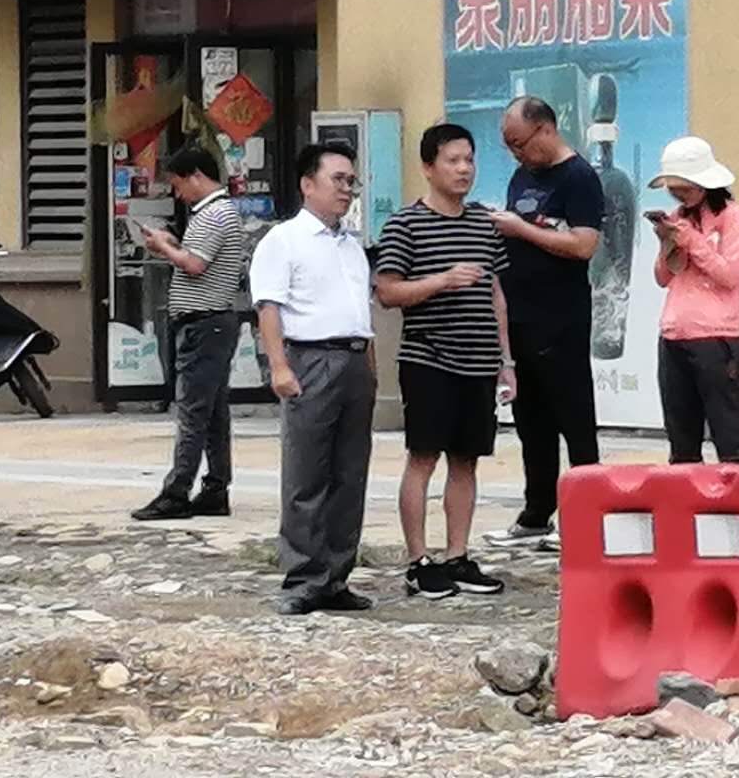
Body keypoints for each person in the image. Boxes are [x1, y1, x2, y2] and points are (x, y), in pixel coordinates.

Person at [375, 123, 516, 600]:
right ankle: (418, 562)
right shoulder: (405, 224)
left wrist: (506, 361)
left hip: (479, 362)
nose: (463, 169)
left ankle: (458, 555)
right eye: (452, 160)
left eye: (469, 160)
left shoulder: (484, 223)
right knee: (423, 458)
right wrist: (442, 280)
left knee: (466, 461)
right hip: (428, 360)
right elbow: (388, 292)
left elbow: (496, 294)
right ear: (428, 167)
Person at [249, 142, 376, 614]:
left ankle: (336, 576)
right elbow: (268, 306)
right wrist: (279, 366)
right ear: (308, 184)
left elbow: (361, 312)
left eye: (351, 181)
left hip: (354, 360)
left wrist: (371, 369)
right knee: (307, 473)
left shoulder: (351, 246)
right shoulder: (283, 240)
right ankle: (304, 576)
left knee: (350, 474)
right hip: (310, 359)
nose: (346, 189)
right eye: (337, 179)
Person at [484, 96, 604, 548]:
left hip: (562, 317)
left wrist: (522, 229)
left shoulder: (579, 178)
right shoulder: (522, 177)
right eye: (509, 146)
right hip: (519, 313)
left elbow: (584, 244)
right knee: (531, 419)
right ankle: (537, 513)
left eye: (520, 143)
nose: (516, 153)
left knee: (573, 414)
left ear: (546, 130)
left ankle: (587, 515)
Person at [132, 147, 246, 522]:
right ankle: (215, 487)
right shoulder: (216, 212)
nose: (178, 194)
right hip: (211, 322)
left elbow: (195, 265)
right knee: (212, 413)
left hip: (205, 322)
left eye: (179, 185)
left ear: (197, 176)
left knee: (193, 411)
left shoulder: (214, 214)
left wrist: (165, 247)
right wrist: (174, 245)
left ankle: (177, 491)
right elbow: (199, 258)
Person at [647, 137, 739, 465]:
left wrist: (693, 241)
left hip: (716, 338)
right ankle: (685, 494)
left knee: (729, 436)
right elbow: (663, 278)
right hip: (673, 335)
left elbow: (730, 274)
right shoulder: (678, 217)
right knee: (681, 441)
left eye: (684, 187)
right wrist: (667, 243)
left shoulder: (733, 217)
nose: (678, 195)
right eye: (673, 189)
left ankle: (738, 494)